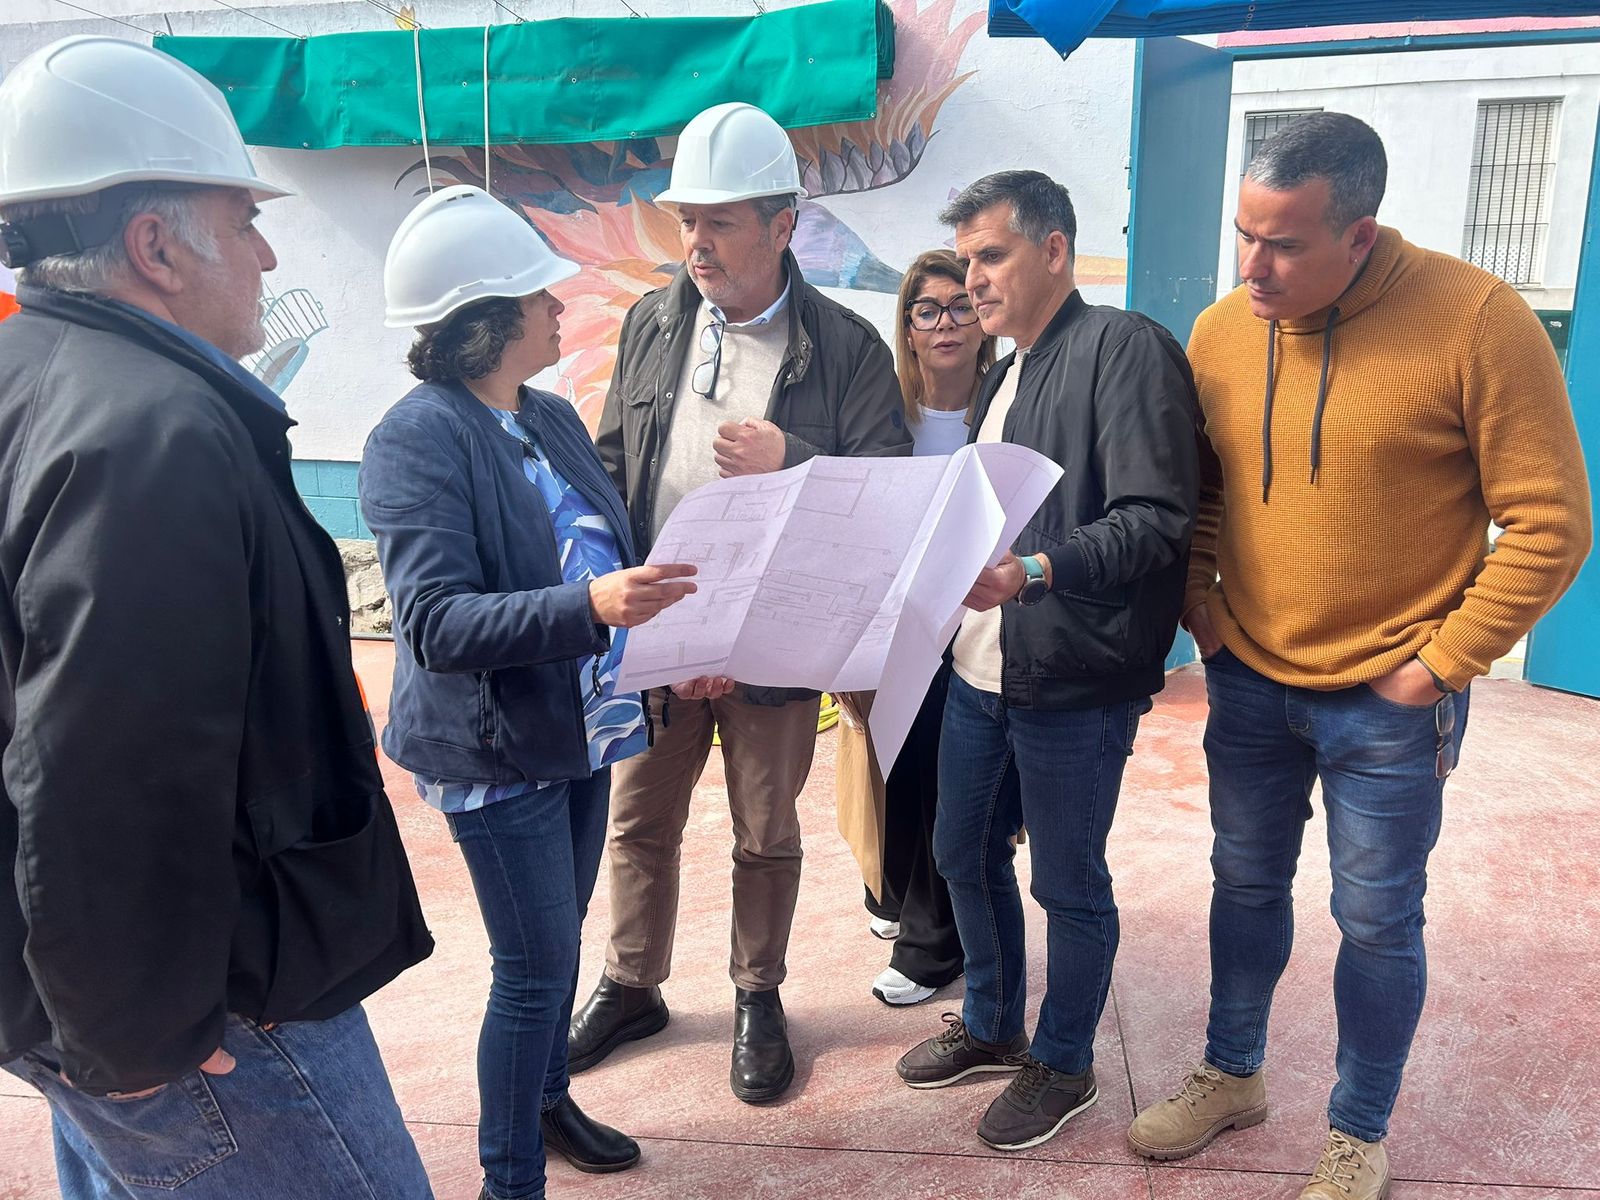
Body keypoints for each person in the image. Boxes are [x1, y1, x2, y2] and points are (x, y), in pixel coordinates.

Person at [1126, 113, 1592, 1200]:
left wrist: (1441, 663)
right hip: (1250, 676)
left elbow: (1550, 523)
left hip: (1390, 698)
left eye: (1283, 244)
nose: (1253, 267)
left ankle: (1356, 1130)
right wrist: (1203, 605)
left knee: (1376, 917)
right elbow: (1201, 492)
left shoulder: (1479, 322)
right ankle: (1230, 1073)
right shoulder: (1220, 331)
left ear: (1362, 237)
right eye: (1245, 234)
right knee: (1241, 886)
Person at [0, 36, 434, 1198]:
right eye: (243, 218)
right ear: (154, 247)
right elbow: (101, 761)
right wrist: (135, 1036)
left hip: (73, 978)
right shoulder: (154, 434)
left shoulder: (33, 376)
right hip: (211, 1001)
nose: (268, 249)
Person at [360, 185, 698, 1200]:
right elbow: (435, 624)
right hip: (495, 750)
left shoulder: (543, 416)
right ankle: (510, 1180)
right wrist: (590, 602)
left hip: (580, 730)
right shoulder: (414, 438)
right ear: (489, 320)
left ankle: (547, 1102)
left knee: (559, 941)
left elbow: (605, 543)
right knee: (534, 970)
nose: (560, 308)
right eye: (541, 298)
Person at [576, 101, 909, 1103]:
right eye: (686, 222)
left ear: (781, 225)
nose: (695, 244)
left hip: (774, 638)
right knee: (639, 819)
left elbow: (882, 485)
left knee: (766, 830)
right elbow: (610, 464)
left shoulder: (844, 347)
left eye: (718, 222)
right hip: (660, 625)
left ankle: (757, 992)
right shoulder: (651, 321)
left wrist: (794, 456)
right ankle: (633, 983)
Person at [894, 171, 1199, 1153]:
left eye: (991, 256)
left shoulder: (1125, 349)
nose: (973, 279)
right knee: (959, 854)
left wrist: (1036, 570)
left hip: (1072, 678)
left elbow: (1155, 520)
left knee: (1067, 885)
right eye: (966, 257)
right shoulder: (1004, 370)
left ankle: (1061, 1063)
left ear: (1054, 251)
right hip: (980, 672)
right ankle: (990, 1023)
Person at [836, 248, 995, 1006]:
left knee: (945, 782)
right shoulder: (887, 416)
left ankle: (935, 944)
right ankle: (898, 895)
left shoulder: (1005, 407)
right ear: (905, 325)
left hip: (977, 626)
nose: (945, 323)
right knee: (895, 771)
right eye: (926, 309)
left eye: (961, 304)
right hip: (896, 626)